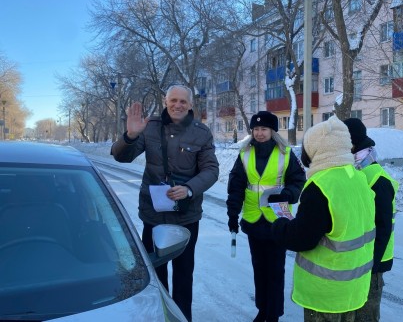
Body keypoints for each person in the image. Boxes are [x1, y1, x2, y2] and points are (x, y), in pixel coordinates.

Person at [111, 85, 219, 322]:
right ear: (165, 101)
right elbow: (121, 156)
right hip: (153, 215)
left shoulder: (201, 133)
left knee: (183, 276)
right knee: (154, 275)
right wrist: (130, 136)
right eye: (173, 100)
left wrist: (189, 189)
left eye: (183, 101)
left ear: (190, 105)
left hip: (186, 217)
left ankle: (182, 317)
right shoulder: (150, 127)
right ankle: (158, 316)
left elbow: (211, 170)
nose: (178, 105)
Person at [271, 115, 375, 322]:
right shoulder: (358, 178)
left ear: (318, 149)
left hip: (326, 293)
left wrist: (281, 225)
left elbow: (303, 239)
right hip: (354, 288)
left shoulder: (321, 186)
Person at [226, 111, 306, 322]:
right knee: (259, 269)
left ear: (272, 131)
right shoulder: (244, 154)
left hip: (277, 221)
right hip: (253, 220)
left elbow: (298, 181)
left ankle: (274, 314)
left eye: (264, 129)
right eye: (256, 129)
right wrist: (233, 214)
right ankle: (262, 310)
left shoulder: (286, 154)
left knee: (275, 271)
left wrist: (288, 195)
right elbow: (235, 186)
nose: (260, 133)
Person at [343, 118, 399, 322]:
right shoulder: (355, 172)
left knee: (366, 316)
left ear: (351, 144)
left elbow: (383, 227)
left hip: (372, 264)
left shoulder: (376, 179)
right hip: (358, 260)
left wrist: (371, 265)